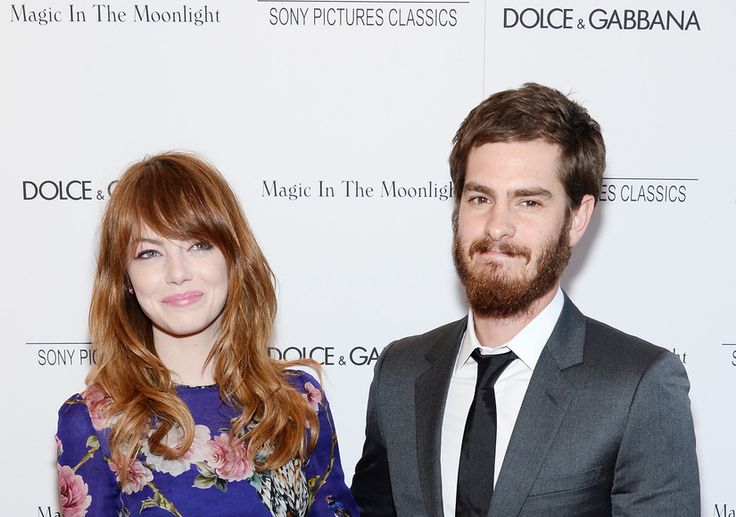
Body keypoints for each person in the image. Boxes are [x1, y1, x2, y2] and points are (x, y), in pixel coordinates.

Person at [351, 83, 699, 516]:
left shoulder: (637, 386)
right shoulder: (399, 374)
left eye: (528, 202)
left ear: (577, 218)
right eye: (480, 198)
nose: (497, 226)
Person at [56, 152, 358, 516]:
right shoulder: (93, 423)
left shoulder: (297, 402)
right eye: (149, 253)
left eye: (198, 245)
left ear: (233, 258)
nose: (178, 272)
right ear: (126, 280)